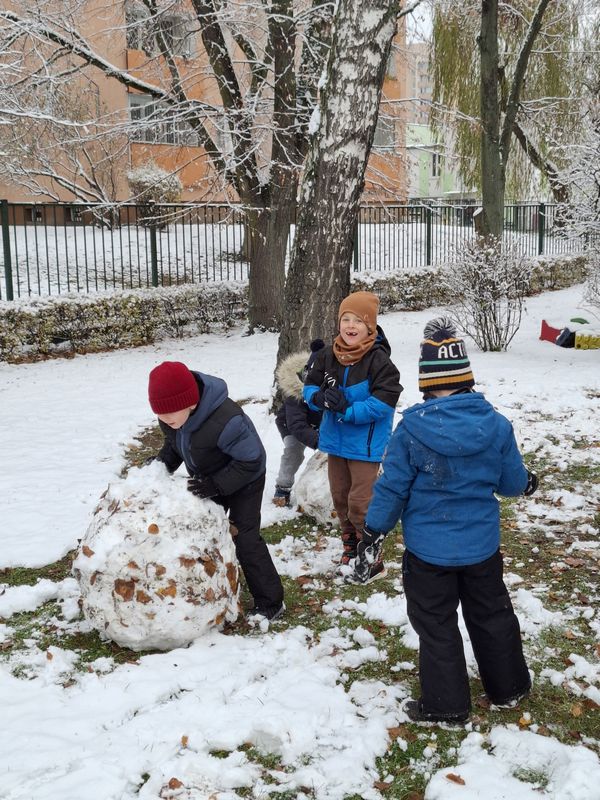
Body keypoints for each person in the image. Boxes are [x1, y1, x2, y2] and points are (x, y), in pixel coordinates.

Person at [350, 318, 538, 723]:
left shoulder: (411, 432)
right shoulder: (497, 425)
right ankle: (509, 687)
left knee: (436, 624)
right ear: (467, 379)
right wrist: (526, 484)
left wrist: (374, 530)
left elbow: (392, 488)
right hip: (481, 550)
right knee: (492, 613)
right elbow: (509, 481)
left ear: (427, 384)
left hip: (429, 554)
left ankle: (447, 704)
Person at [147, 361, 285, 622]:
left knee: (244, 537)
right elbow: (175, 444)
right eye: (161, 416)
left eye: (169, 416)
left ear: (189, 402)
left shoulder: (226, 419)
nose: (165, 421)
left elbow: (251, 460)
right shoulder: (173, 417)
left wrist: (217, 485)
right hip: (209, 477)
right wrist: (161, 465)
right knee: (204, 531)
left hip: (246, 479)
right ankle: (209, 590)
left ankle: (270, 601)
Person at [303, 291, 402, 571]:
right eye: (345, 319)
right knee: (340, 497)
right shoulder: (328, 355)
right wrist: (318, 398)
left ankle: (370, 551)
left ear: (370, 326)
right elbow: (309, 384)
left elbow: (384, 402)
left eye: (357, 321)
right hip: (335, 441)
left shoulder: (379, 360)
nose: (350, 326)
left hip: (365, 445)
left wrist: (347, 409)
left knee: (361, 502)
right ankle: (350, 543)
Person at [272, 338, 325, 507]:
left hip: (320, 422)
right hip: (291, 425)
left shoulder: (333, 383)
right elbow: (297, 425)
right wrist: (319, 441)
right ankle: (283, 487)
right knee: (293, 450)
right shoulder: (296, 393)